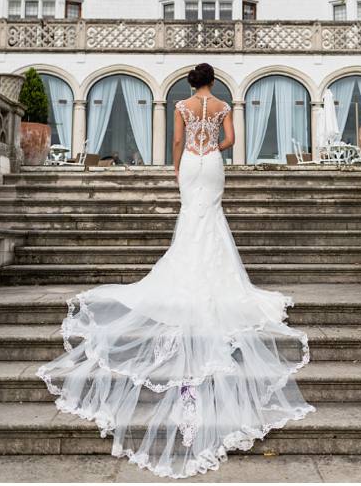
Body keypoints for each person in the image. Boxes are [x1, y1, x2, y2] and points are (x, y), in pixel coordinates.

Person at [36, 62, 314, 479]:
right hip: (213, 167)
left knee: (192, 219)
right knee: (212, 219)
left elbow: (179, 142)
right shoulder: (221, 105)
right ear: (213, 82)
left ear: (190, 83)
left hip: (190, 167)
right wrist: (214, 149)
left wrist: (180, 165)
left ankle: (188, 271)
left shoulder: (182, 105)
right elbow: (232, 140)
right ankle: (218, 279)